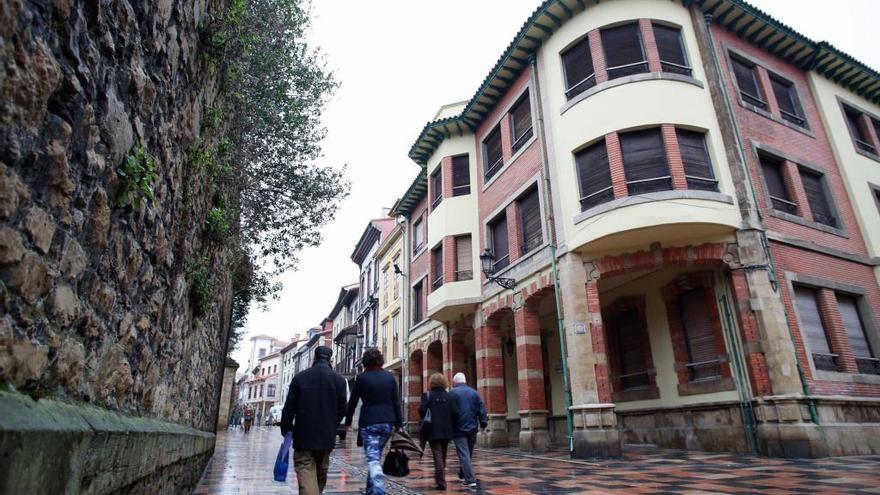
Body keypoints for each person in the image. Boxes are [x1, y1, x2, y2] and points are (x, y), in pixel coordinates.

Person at [280, 346, 348, 495]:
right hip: (326, 437)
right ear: (330, 359)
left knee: (305, 469)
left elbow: (289, 408)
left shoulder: (300, 378)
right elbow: (343, 408)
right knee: (320, 473)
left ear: (314, 358)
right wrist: (332, 424)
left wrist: (287, 429)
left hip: (304, 435)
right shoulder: (339, 380)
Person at [345, 348, 402, 495]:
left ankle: (378, 490)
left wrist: (348, 421)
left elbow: (352, 402)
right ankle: (370, 490)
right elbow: (396, 402)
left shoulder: (362, 378)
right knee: (375, 457)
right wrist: (399, 424)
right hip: (387, 423)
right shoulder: (390, 377)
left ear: (365, 362)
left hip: (369, 423)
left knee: (373, 459)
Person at [449, 372, 488, 489]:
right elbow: (481, 409)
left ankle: (470, 480)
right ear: (465, 381)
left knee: (464, 454)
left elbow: (449, 412)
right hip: (472, 428)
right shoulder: (474, 393)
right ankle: (462, 474)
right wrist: (483, 423)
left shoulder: (452, 393)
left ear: (455, 382)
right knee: (467, 453)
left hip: (458, 428)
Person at [419, 373, 455, 491]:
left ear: (431, 383)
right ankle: (440, 478)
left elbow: (422, 410)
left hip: (433, 429)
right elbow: (455, 412)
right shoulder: (449, 396)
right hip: (447, 429)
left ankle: (441, 482)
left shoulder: (428, 395)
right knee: (442, 454)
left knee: (437, 454)